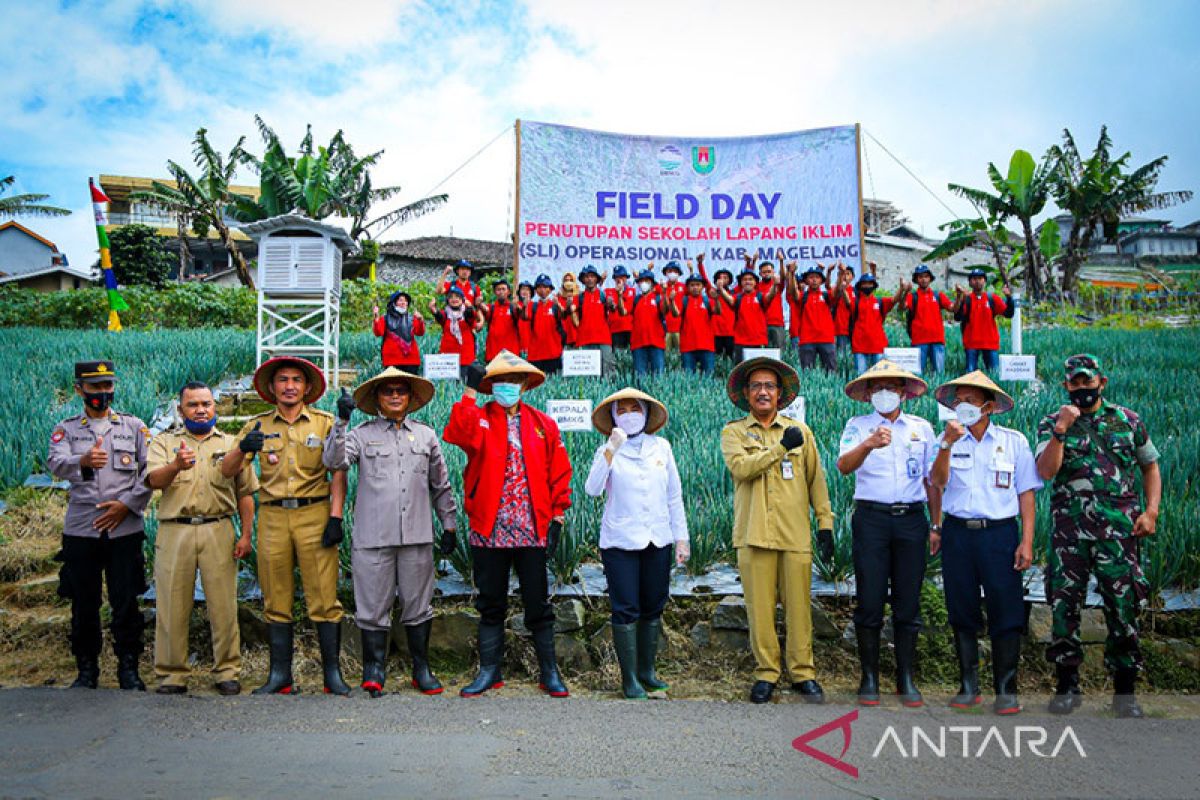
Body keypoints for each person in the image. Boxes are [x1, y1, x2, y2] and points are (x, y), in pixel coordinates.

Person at [1035, 354, 1160, 718]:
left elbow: (1150, 466)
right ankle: (1067, 685)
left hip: (1119, 534)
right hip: (1069, 534)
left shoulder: (1127, 420)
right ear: (1066, 386)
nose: (1083, 389)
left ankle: (1125, 691)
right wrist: (1062, 428)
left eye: (1088, 383)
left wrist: (1150, 512)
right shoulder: (1050, 423)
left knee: (1123, 609)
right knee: (1064, 607)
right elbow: (1045, 472)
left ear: (1101, 383)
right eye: (1075, 383)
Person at [443, 351, 573, 698]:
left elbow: (559, 470)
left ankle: (549, 672)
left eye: (513, 380)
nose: (507, 386)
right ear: (491, 386)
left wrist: (558, 513)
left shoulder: (542, 423)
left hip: (532, 528)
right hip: (490, 527)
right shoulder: (481, 417)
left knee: (537, 602)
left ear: (525, 385)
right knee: (491, 601)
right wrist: (469, 393)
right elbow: (456, 433)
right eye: (499, 381)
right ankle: (489, 671)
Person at [221, 357, 351, 696]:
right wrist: (243, 450)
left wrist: (335, 517)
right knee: (275, 594)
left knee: (323, 596)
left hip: (315, 512)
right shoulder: (258, 426)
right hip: (274, 516)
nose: (290, 386)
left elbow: (338, 471)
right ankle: (280, 676)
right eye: (283, 380)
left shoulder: (323, 424)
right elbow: (227, 470)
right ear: (272, 387)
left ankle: (331, 676)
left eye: (296, 380)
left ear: (307, 387)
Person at [325, 368, 458, 697]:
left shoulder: (426, 436)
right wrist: (340, 423)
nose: (395, 395)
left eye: (401, 390)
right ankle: (374, 668)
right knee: (371, 606)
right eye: (388, 391)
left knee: (419, 604)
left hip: (416, 535)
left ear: (411, 398)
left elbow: (440, 484)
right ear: (378, 400)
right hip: (373, 537)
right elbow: (334, 460)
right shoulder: (360, 434)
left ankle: (421, 668)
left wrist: (449, 524)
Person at [721, 356, 833, 705]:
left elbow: (817, 481)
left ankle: (803, 672)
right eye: (756, 386)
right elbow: (742, 469)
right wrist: (781, 447)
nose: (763, 392)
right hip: (753, 533)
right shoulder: (734, 432)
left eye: (770, 386)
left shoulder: (803, 433)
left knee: (800, 608)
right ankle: (766, 673)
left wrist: (825, 524)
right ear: (747, 393)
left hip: (794, 533)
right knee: (760, 609)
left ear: (780, 393)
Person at [929, 371, 1041, 714]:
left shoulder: (1013, 441)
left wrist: (1026, 541)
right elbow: (936, 482)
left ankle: (1006, 688)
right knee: (961, 608)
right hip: (959, 533)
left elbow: (1026, 494)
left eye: (970, 401)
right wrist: (947, 444)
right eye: (958, 400)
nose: (962, 406)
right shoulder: (945, 440)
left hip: (999, 534)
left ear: (988, 407)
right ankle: (968, 686)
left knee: (1005, 609)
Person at [145, 382, 256, 695]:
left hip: (218, 528)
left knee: (223, 605)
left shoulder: (233, 444)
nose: (201, 409)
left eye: (206, 404)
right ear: (181, 410)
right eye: (193, 404)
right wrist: (175, 466)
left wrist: (246, 534)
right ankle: (171, 674)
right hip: (175, 530)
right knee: (171, 604)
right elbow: (153, 480)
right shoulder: (164, 443)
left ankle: (227, 671)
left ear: (214, 407)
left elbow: (245, 493)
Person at [47, 360, 152, 690]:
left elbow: (150, 472)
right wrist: (82, 461)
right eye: (95, 388)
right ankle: (87, 669)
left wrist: (127, 506)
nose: (103, 394)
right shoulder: (67, 429)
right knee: (84, 602)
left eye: (108, 386)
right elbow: (55, 462)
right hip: (83, 529)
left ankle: (129, 668)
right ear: (80, 390)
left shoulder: (133, 427)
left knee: (126, 601)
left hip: (124, 529)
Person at [836, 361, 935, 707]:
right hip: (871, 519)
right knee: (870, 598)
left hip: (911, 519)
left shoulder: (921, 428)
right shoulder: (857, 426)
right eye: (878, 389)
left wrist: (935, 524)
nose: (884, 394)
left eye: (891, 388)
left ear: (903, 393)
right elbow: (843, 466)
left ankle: (905, 676)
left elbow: (931, 479)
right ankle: (869, 677)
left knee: (908, 601)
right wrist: (868, 445)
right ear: (868, 395)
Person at [585, 388, 689, 698]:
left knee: (653, 604)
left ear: (645, 413)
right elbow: (592, 489)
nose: (630, 414)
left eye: (636, 408)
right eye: (624, 409)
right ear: (615, 416)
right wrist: (611, 449)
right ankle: (629, 678)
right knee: (626, 606)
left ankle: (647, 670)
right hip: (620, 541)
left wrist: (681, 537)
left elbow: (674, 495)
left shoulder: (662, 448)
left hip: (657, 538)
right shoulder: (608, 450)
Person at [953, 268, 1014, 372]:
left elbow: (1008, 314)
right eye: (974, 279)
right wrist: (960, 297)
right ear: (970, 282)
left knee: (993, 373)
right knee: (970, 374)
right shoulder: (966, 299)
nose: (977, 281)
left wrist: (1009, 298)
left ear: (985, 281)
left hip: (990, 343)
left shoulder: (992, 298)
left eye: (980, 278)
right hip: (971, 343)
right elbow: (958, 317)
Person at [715, 267, 779, 363]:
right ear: (741, 283)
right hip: (740, 342)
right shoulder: (738, 298)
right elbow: (729, 299)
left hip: (759, 341)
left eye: (750, 279)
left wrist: (774, 285)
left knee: (758, 372)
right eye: (744, 280)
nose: (747, 282)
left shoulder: (760, 296)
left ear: (755, 282)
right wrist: (720, 288)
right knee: (741, 372)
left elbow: (771, 295)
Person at [838, 272, 898, 374]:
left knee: (880, 376)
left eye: (870, 283)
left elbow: (894, 300)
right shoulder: (856, 302)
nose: (867, 286)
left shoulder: (880, 302)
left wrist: (902, 289)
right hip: (860, 346)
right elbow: (847, 302)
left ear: (874, 285)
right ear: (860, 286)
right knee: (861, 377)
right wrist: (843, 290)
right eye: (864, 283)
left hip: (878, 345)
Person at [786, 263, 837, 372]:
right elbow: (793, 292)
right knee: (807, 372)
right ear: (806, 280)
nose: (814, 280)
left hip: (826, 339)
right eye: (811, 277)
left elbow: (838, 292)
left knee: (831, 372)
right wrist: (791, 273)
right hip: (807, 340)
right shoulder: (803, 296)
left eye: (817, 277)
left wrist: (840, 274)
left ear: (821, 281)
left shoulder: (826, 295)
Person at [903, 265, 954, 374]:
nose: (923, 279)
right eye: (920, 277)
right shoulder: (912, 296)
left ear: (930, 278)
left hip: (937, 340)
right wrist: (904, 292)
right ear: (916, 279)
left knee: (939, 374)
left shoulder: (938, 295)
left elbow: (952, 308)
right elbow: (902, 307)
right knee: (917, 374)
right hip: (919, 341)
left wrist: (959, 296)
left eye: (926, 276)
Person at [671, 269, 721, 375]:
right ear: (688, 287)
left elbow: (718, 311)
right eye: (692, 285)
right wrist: (671, 301)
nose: (695, 287)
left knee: (708, 378)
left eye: (698, 285)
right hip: (688, 346)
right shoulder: (684, 300)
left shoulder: (707, 300)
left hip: (707, 346)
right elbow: (676, 314)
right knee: (689, 378)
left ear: (702, 287)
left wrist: (716, 299)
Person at [572, 265, 618, 375]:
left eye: (592, 276)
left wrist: (611, 304)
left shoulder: (604, 295)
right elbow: (571, 314)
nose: (589, 279)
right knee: (587, 376)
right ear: (583, 280)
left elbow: (613, 308)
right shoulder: (579, 297)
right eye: (586, 277)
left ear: (597, 279)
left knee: (607, 372)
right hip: (584, 340)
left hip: (603, 339)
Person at [429, 286, 480, 377]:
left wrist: (470, 307)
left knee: (463, 384)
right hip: (448, 359)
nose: (454, 299)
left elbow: (471, 317)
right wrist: (433, 309)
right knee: (448, 386)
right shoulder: (445, 314)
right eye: (451, 297)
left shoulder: (466, 314)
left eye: (457, 297)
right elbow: (439, 316)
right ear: (447, 300)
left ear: (462, 299)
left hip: (465, 357)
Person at [523, 273, 566, 374]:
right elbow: (524, 317)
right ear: (536, 290)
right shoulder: (532, 306)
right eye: (539, 287)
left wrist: (558, 304)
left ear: (550, 289)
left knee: (553, 384)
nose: (542, 290)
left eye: (545, 287)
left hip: (553, 352)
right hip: (535, 354)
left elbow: (564, 315)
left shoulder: (555, 305)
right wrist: (525, 305)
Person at [372, 291, 425, 371]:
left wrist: (421, 320)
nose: (403, 303)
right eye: (400, 300)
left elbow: (420, 332)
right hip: (392, 360)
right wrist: (376, 318)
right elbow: (378, 333)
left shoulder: (412, 318)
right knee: (393, 383)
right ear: (394, 303)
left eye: (405, 301)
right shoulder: (385, 318)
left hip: (411, 360)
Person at [630, 268, 668, 376]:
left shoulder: (658, 298)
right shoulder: (636, 300)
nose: (643, 283)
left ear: (652, 283)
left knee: (658, 377)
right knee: (640, 378)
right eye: (641, 281)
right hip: (638, 344)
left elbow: (665, 310)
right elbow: (624, 312)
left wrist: (664, 294)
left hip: (656, 343)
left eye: (647, 281)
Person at [480, 279, 521, 362]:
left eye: (503, 289)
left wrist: (518, 306)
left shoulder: (514, 307)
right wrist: (479, 303)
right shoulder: (490, 308)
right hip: (493, 353)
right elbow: (479, 313)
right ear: (495, 292)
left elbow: (522, 315)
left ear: (508, 291)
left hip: (511, 353)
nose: (501, 291)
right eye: (498, 289)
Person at [759, 254, 787, 351]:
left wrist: (781, 261)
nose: (766, 274)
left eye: (769, 271)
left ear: (773, 272)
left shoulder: (778, 284)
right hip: (761, 325)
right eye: (764, 272)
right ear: (760, 274)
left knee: (779, 354)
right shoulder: (756, 286)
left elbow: (784, 276)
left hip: (777, 324)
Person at [607, 266, 635, 351]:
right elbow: (610, 307)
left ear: (626, 278)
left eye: (622, 276)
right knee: (617, 359)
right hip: (615, 330)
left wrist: (620, 294)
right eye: (617, 277)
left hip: (630, 329)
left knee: (630, 358)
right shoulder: (608, 291)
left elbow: (625, 310)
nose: (619, 279)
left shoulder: (632, 291)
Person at [660, 261, 686, 352]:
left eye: (675, 271)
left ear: (679, 274)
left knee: (680, 356)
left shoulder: (684, 287)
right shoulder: (661, 287)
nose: (672, 273)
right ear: (666, 273)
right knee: (667, 358)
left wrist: (691, 270)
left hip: (680, 329)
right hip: (665, 329)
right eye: (670, 271)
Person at [831, 263, 855, 352]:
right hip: (838, 330)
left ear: (853, 277)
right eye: (843, 273)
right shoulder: (835, 290)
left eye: (848, 273)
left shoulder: (855, 291)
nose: (845, 276)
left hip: (852, 330)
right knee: (840, 358)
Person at [558, 272, 580, 348]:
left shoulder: (579, 297)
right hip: (563, 337)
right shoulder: (558, 298)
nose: (568, 282)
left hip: (577, 336)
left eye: (571, 280)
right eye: (566, 280)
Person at [515, 281, 535, 357]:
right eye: (523, 289)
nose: (525, 291)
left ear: (531, 292)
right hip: (517, 346)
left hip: (532, 345)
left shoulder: (535, 306)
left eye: (527, 289)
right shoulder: (515, 305)